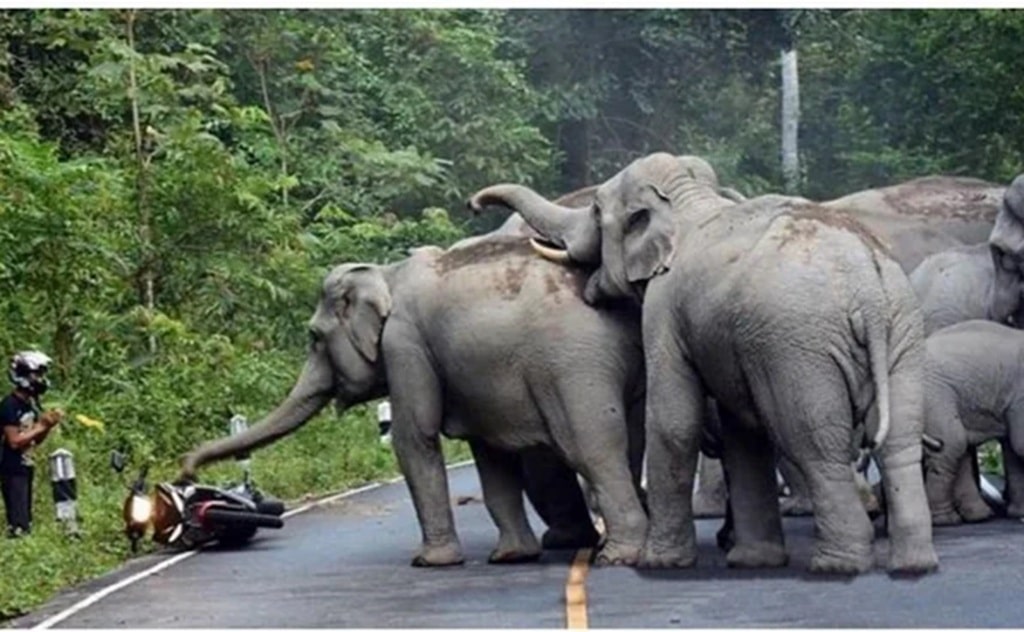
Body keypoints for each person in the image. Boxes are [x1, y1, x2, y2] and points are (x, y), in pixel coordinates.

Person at [0, 350, 63, 537]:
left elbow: (34, 440)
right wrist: (41, 425)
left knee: (25, 518)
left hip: (26, 466)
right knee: (19, 523)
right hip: (11, 468)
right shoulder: (9, 405)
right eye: (37, 374)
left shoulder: (30, 405)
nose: (41, 379)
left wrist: (47, 426)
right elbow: (14, 441)